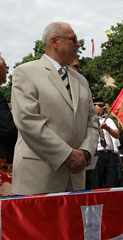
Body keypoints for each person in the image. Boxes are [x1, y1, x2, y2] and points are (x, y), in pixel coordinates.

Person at [11, 22, 98, 195]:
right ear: (54, 41)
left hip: (76, 178)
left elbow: (92, 122)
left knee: (72, 223)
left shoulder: (81, 81)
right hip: (38, 177)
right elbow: (27, 121)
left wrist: (85, 152)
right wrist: (67, 155)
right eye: (73, 39)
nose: (78, 45)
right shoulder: (25, 73)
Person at [89, 98, 121, 189]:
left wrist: (107, 128)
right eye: (99, 106)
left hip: (109, 154)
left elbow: (117, 135)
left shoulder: (108, 121)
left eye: (103, 106)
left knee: (112, 182)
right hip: (96, 154)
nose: (102, 108)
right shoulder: (89, 122)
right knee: (96, 182)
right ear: (93, 106)